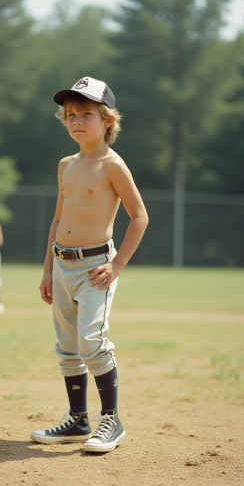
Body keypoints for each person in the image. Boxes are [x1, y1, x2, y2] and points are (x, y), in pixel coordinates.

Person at [30, 76, 148, 453]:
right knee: (68, 347)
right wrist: (48, 268)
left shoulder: (112, 165)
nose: (76, 120)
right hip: (62, 266)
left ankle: (110, 420)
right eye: (70, 114)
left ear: (108, 120)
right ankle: (78, 419)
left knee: (91, 342)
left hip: (96, 267)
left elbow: (140, 216)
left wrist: (118, 265)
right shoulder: (66, 164)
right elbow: (58, 219)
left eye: (86, 113)